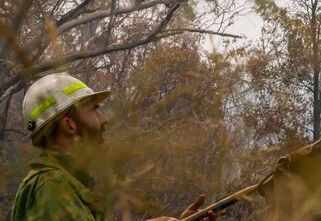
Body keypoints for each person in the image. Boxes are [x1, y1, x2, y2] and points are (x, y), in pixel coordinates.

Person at [11, 72, 213, 221]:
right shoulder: (52, 187)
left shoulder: (63, 184)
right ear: (69, 125)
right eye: (94, 110)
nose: (104, 120)